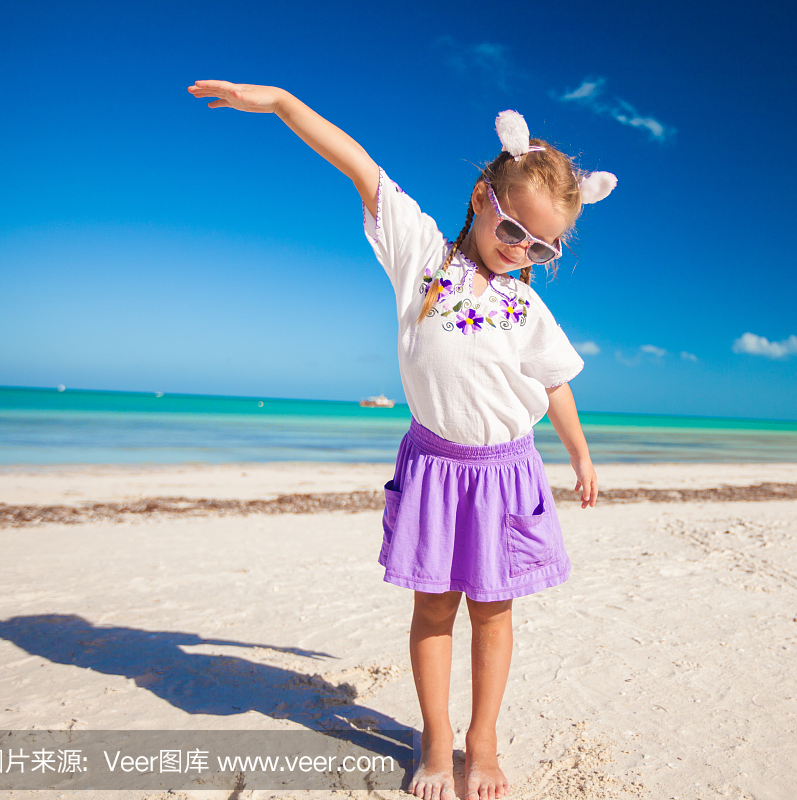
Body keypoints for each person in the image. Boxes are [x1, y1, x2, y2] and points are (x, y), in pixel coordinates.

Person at [188, 80, 615, 800]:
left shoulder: (528, 307)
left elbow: (555, 384)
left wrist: (579, 452)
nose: (521, 251)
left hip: (506, 473)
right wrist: (284, 104)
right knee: (433, 608)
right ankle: (436, 738)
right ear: (483, 196)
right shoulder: (421, 255)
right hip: (435, 470)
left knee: (494, 611)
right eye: (513, 230)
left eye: (540, 247)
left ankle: (483, 740)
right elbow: (360, 166)